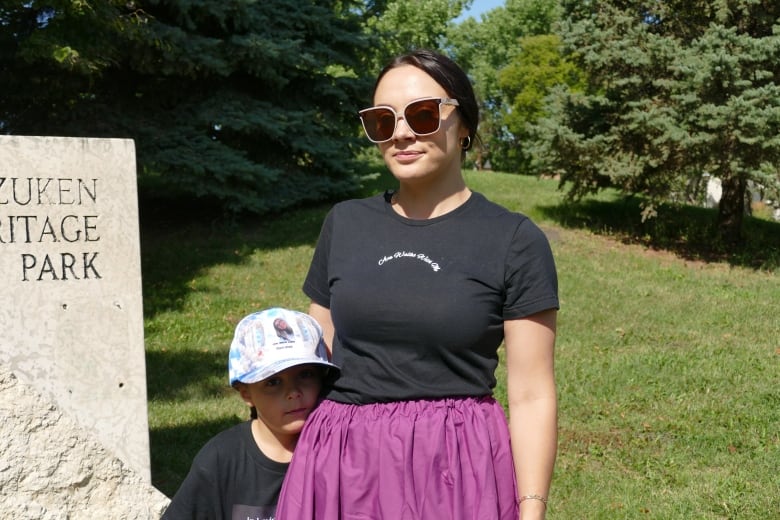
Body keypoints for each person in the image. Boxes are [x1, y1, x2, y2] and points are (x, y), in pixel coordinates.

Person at [276, 49, 559, 520]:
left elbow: (532, 394)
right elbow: (315, 356)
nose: (402, 133)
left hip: (452, 465)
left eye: (423, 114)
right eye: (382, 121)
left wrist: (531, 510)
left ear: (464, 124)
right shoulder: (345, 224)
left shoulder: (513, 240)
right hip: (341, 464)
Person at [162, 307, 339, 520]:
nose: (293, 392)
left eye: (306, 374)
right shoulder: (222, 459)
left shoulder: (335, 451)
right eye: (273, 382)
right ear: (246, 393)